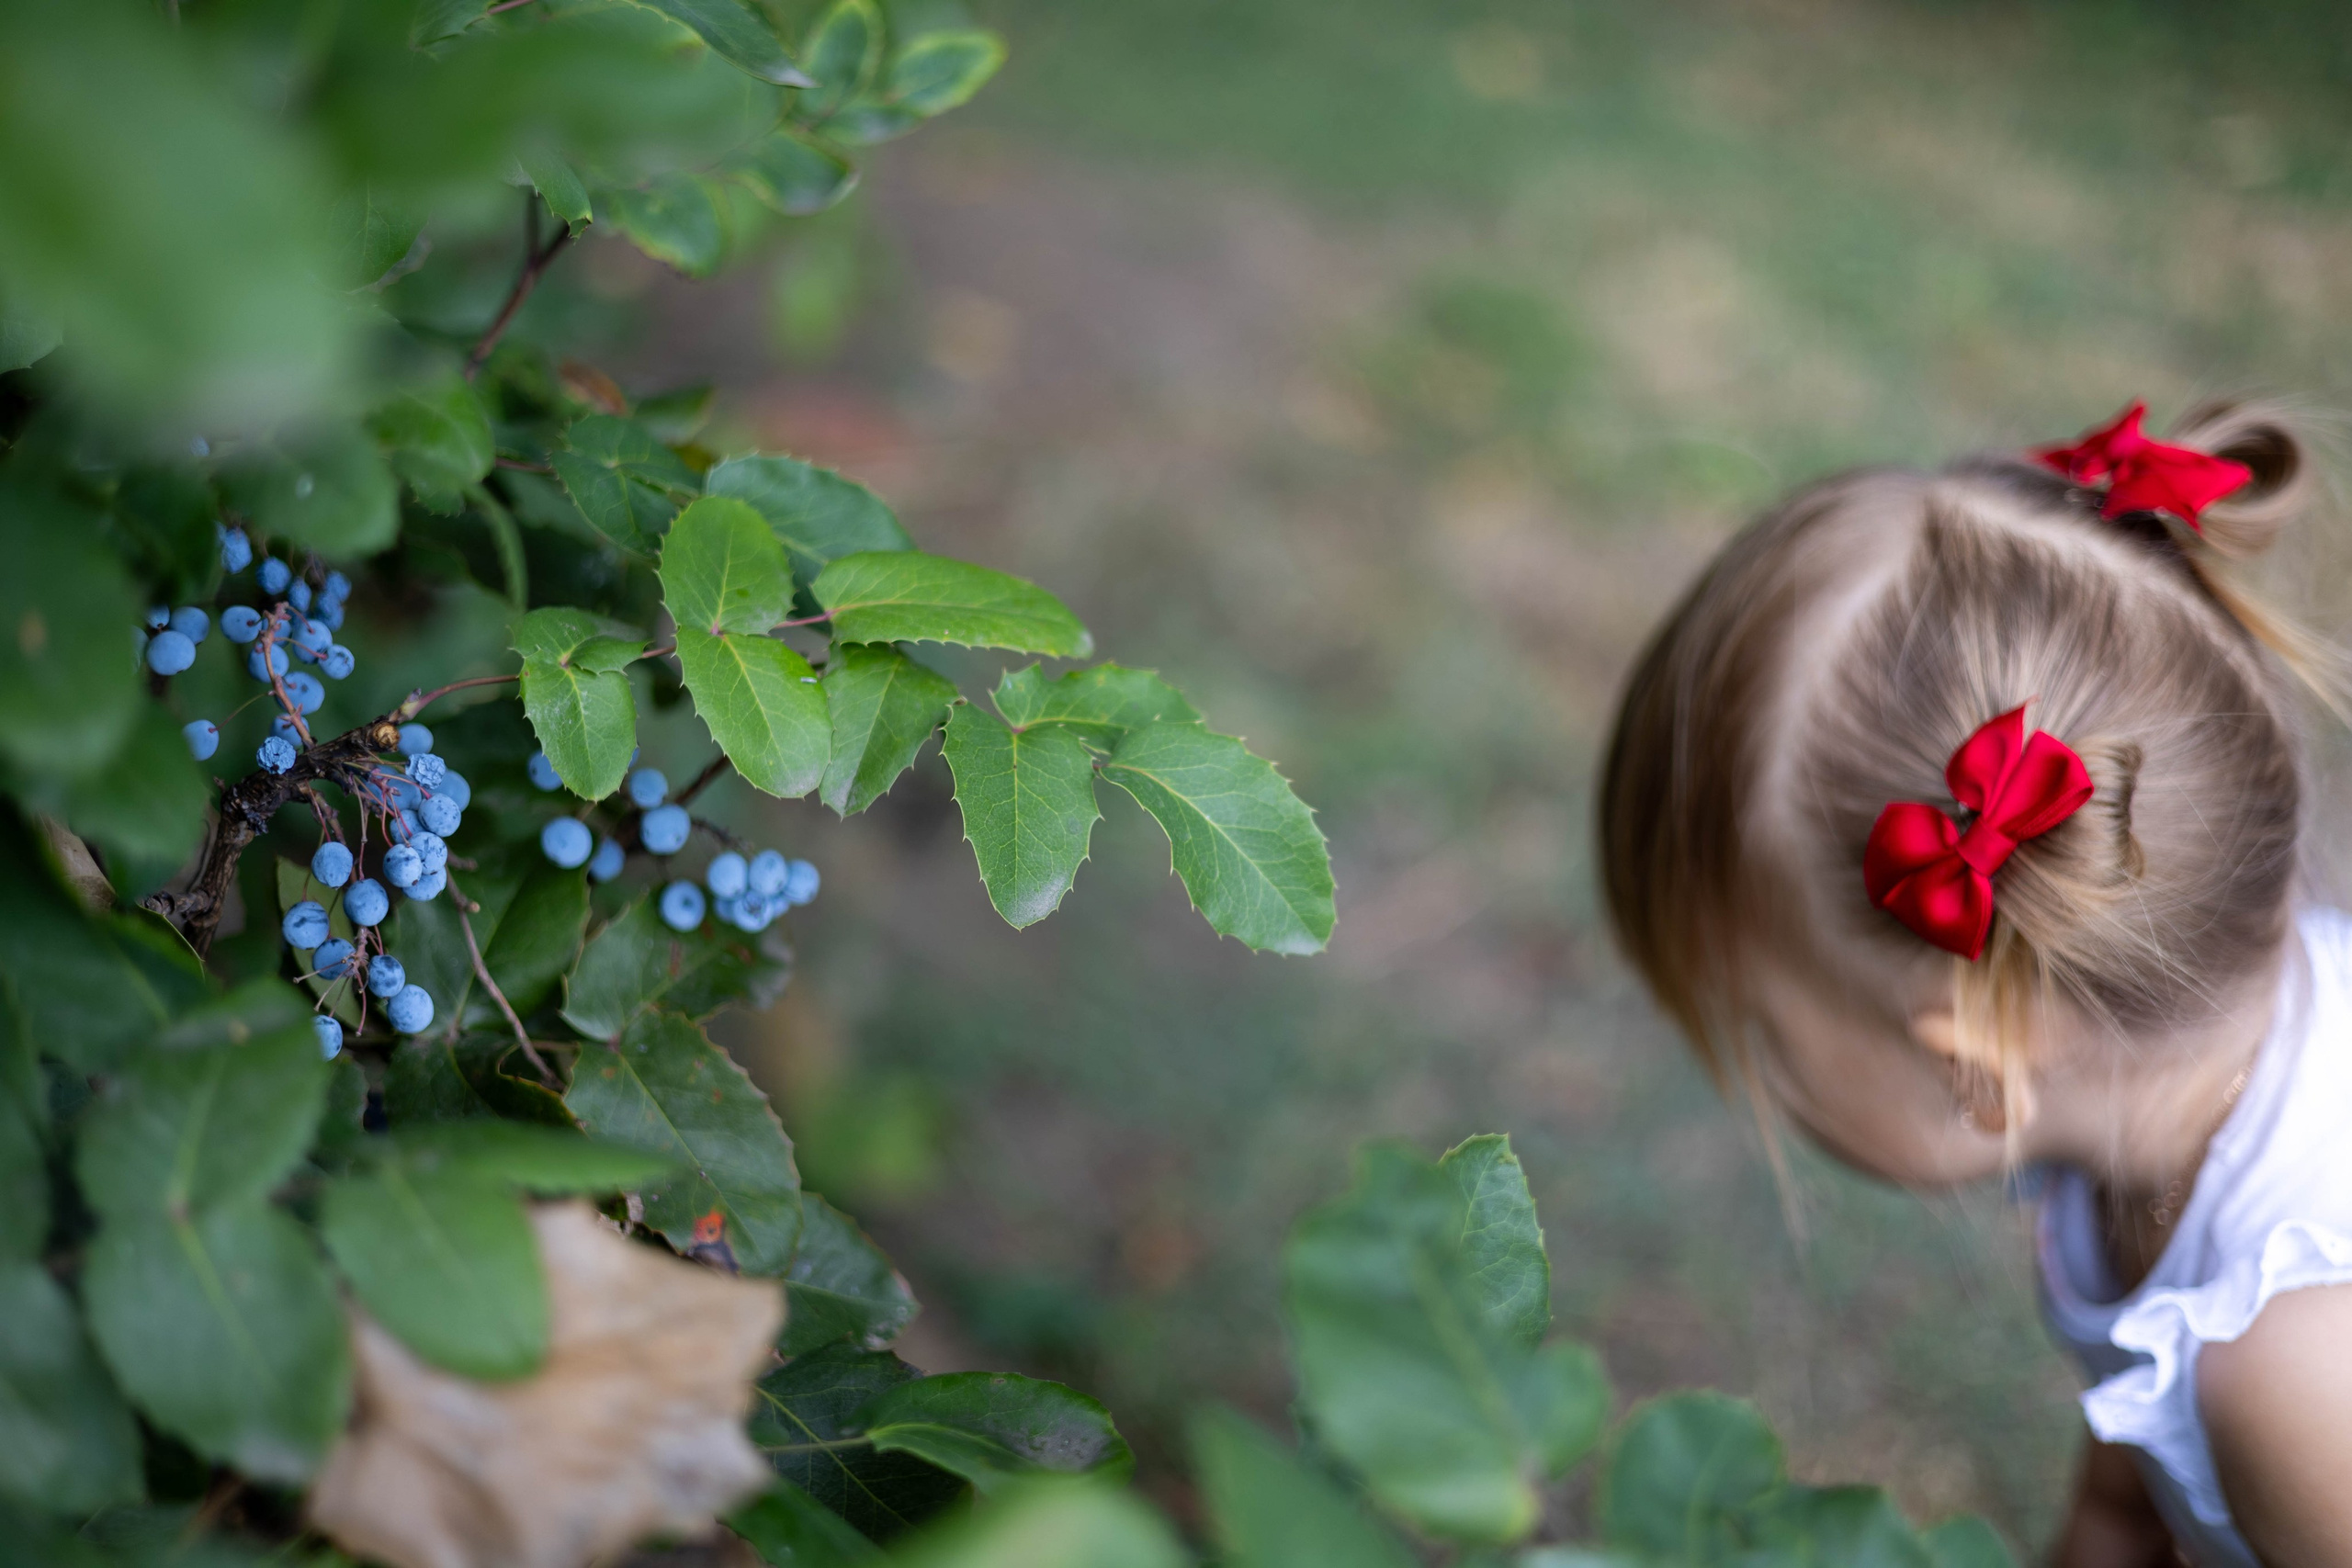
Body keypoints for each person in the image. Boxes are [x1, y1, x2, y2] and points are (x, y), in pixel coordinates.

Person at [1599, 399, 2352, 1567]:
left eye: (1766, 1035)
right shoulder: (2167, 1123)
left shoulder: (2299, 1377)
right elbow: (2127, 1499)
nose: (1757, 1084)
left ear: (1974, 1062)